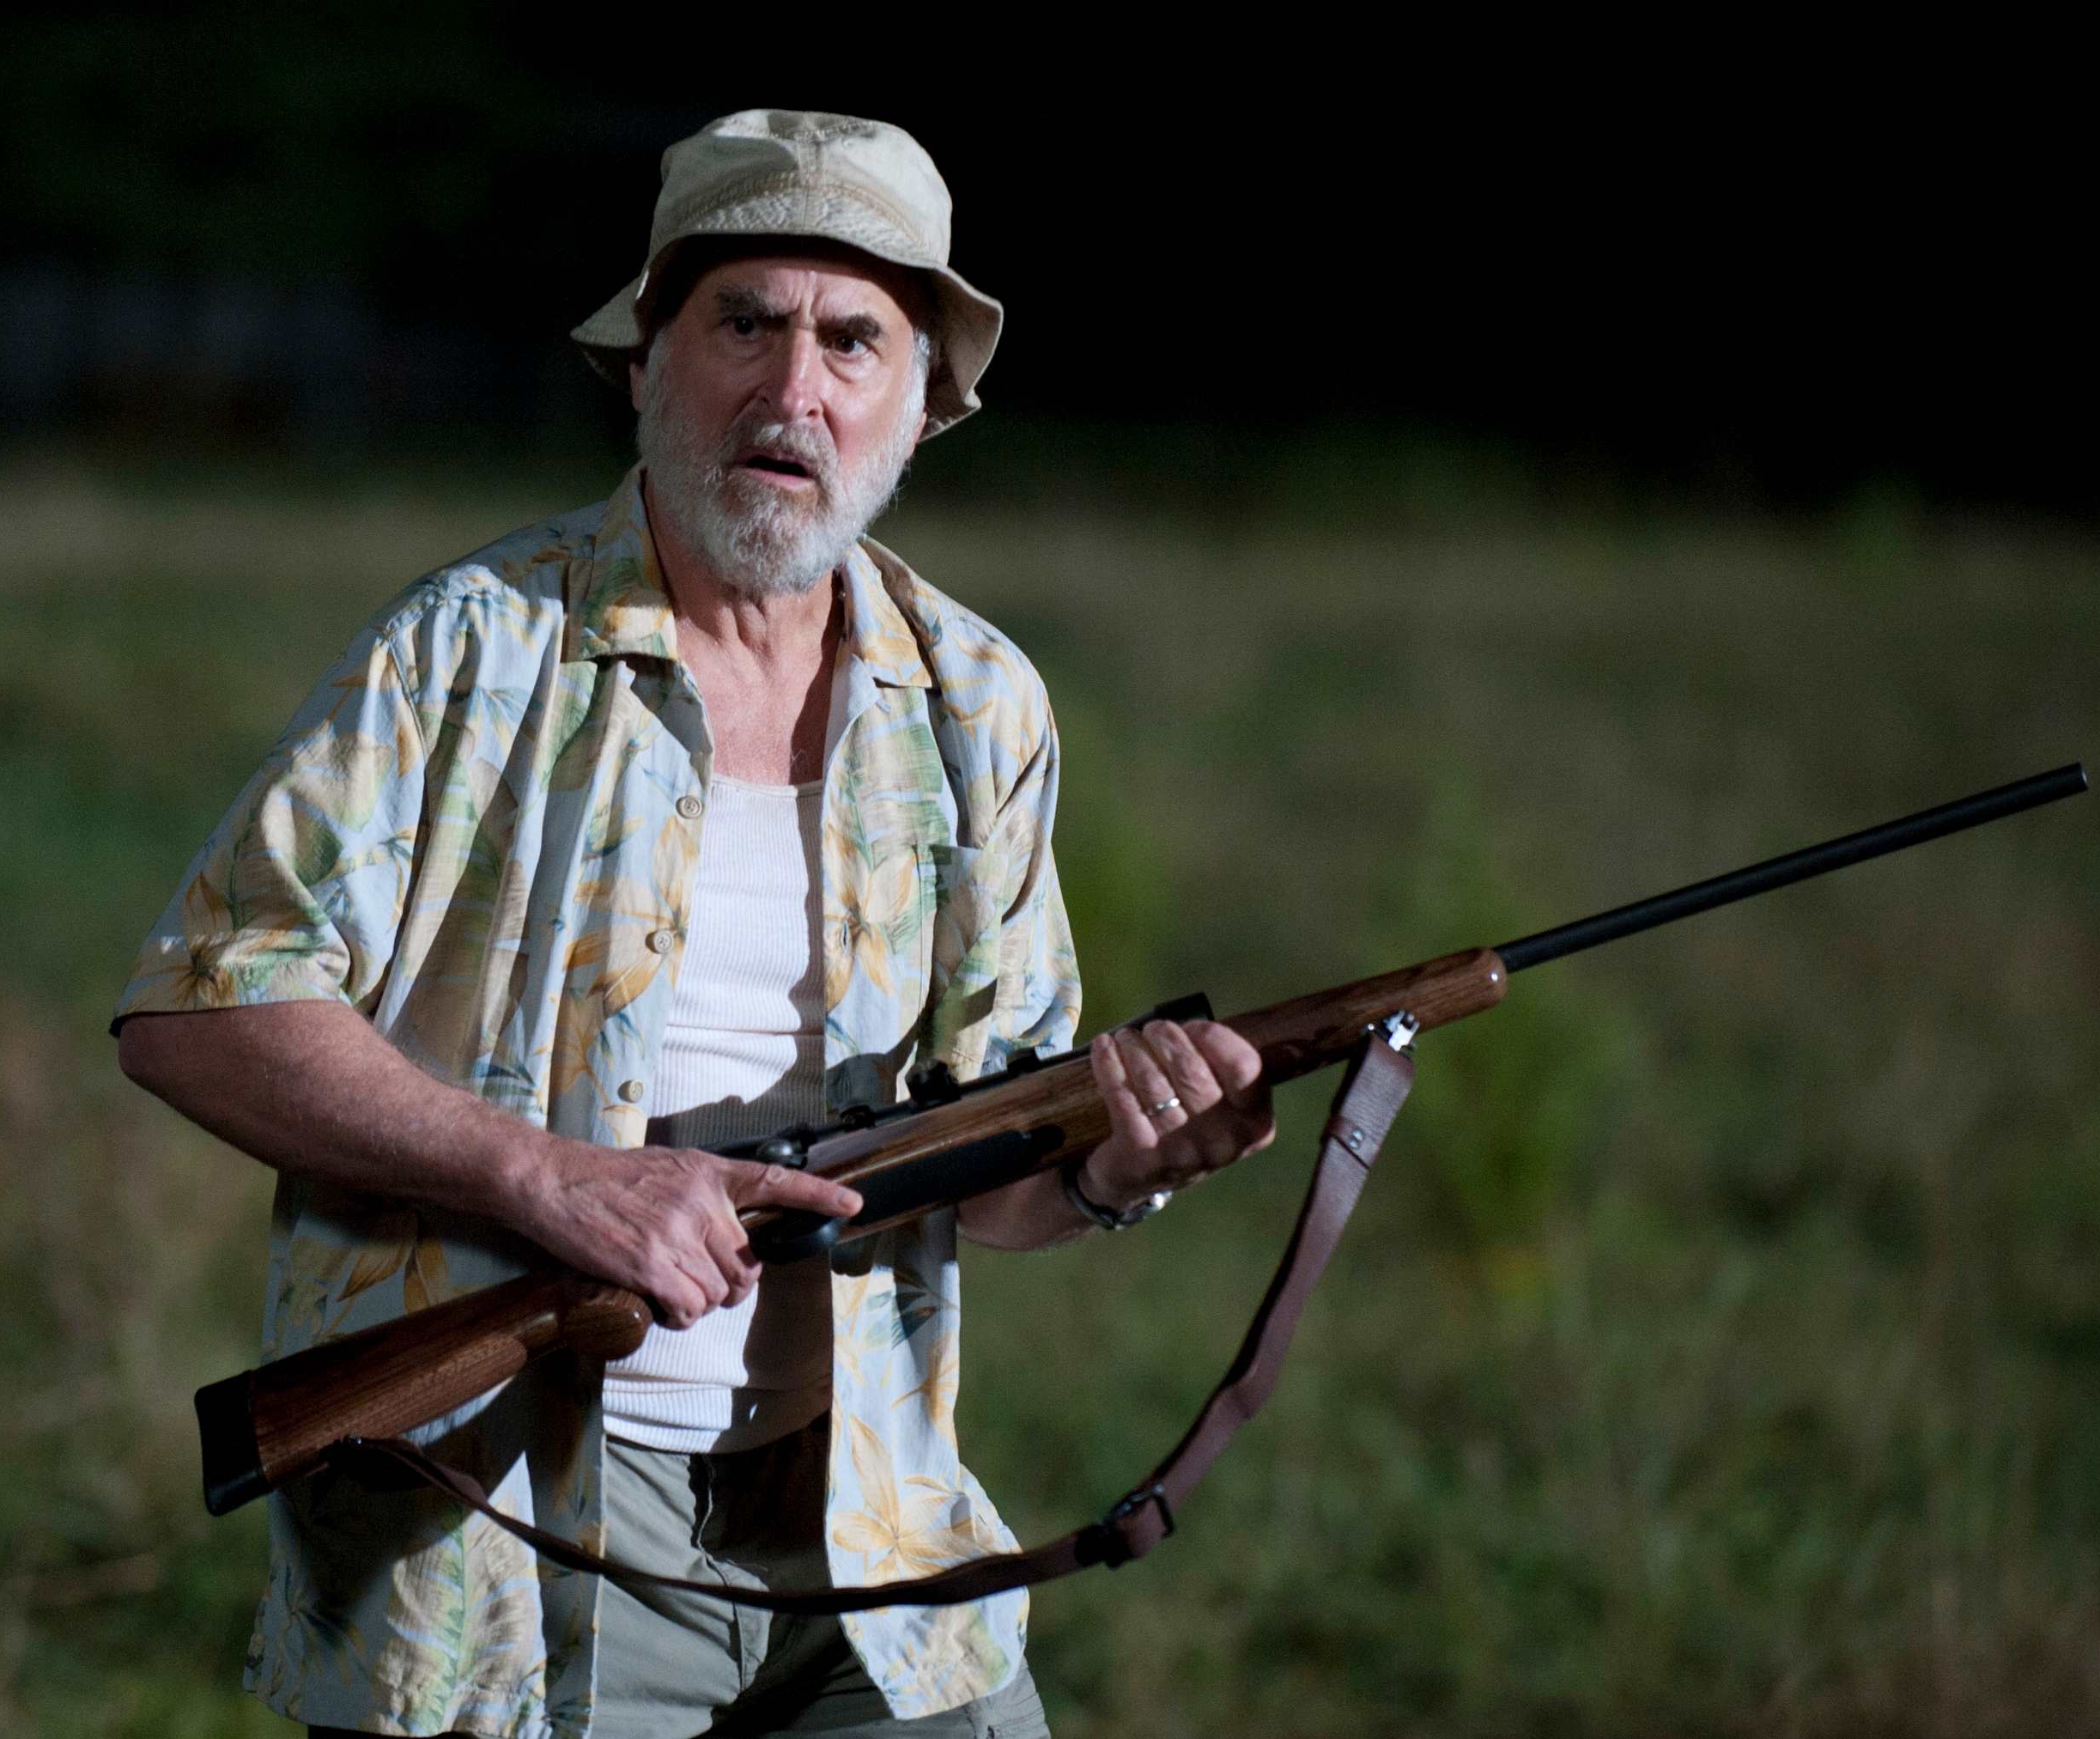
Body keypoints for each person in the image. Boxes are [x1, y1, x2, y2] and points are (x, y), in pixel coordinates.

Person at [113, 109, 1278, 1739]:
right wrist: (554, 1179)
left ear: (919, 406)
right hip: (511, 1534)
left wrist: (1114, 1157)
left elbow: (992, 1185)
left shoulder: (981, 706)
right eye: (747, 322)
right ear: (648, 361)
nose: (794, 389)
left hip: (867, 1516)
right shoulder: (472, 654)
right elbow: (199, 1008)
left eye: (855, 340)